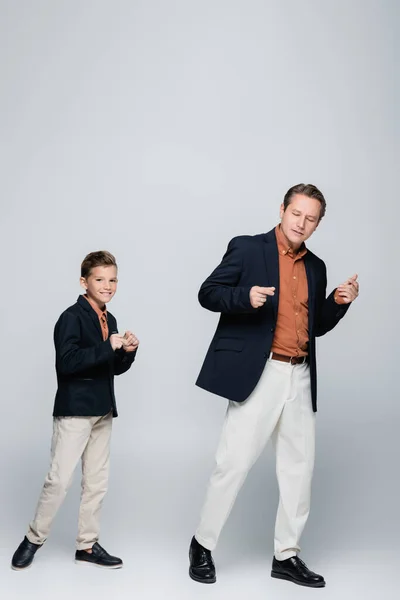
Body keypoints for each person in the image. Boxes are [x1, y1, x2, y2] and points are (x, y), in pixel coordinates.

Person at [189, 184, 359, 588]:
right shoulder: (248, 248)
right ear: (282, 209)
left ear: (318, 224)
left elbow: (313, 325)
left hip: (299, 374)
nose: (302, 222)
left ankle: (286, 555)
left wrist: (338, 301)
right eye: (296, 213)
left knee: (299, 469)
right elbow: (207, 293)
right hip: (260, 372)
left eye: (311, 218)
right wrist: (244, 297)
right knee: (232, 463)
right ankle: (201, 544)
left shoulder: (315, 266)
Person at [11, 251, 139, 570]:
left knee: (97, 481)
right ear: (84, 282)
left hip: (102, 410)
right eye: (100, 279)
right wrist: (108, 346)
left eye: (112, 280)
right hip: (74, 411)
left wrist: (128, 353)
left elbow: (110, 368)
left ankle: (87, 545)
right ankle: (33, 539)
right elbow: (67, 364)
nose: (107, 285)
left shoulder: (111, 320)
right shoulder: (71, 317)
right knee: (59, 480)